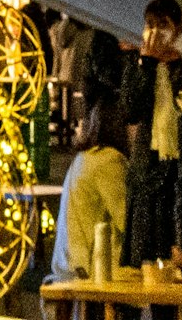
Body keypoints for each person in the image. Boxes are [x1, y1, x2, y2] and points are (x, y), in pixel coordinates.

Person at [120, 0, 182, 276]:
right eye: (149, 25)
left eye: (163, 25)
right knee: (152, 271)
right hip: (148, 179)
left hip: (181, 178)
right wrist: (145, 63)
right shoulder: (138, 66)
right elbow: (131, 110)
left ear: (178, 28)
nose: (155, 33)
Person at [52, 102, 130, 280]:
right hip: (90, 268)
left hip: (67, 261)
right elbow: (126, 219)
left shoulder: (84, 157)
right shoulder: (109, 160)